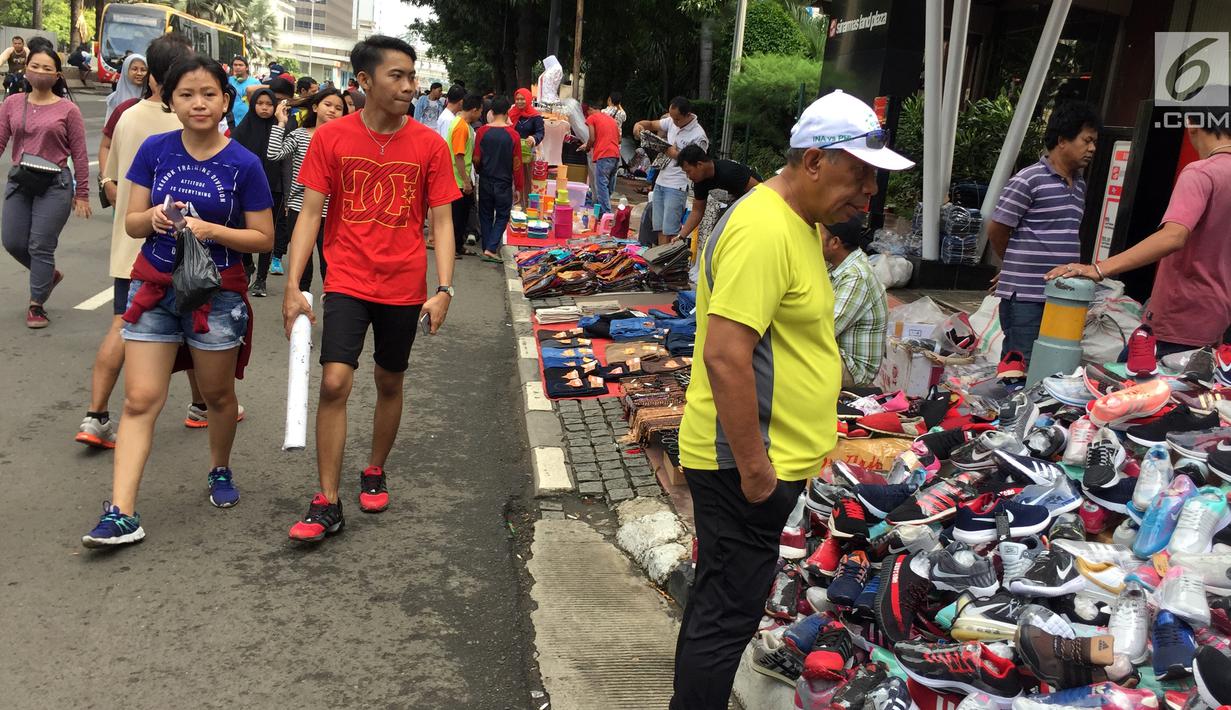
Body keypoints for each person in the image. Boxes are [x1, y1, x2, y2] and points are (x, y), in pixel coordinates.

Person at [673, 90, 913, 708]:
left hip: (763, 460)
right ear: (813, 161)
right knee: (726, 618)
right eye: (859, 174)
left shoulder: (800, 224)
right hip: (744, 465)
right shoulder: (764, 228)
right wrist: (756, 472)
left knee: (720, 606)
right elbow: (726, 356)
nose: (869, 193)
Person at [80, 53, 275, 548]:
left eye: (209, 94)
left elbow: (264, 238)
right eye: (186, 94)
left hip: (217, 297)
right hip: (156, 291)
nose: (198, 103)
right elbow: (131, 222)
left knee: (218, 397)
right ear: (171, 100)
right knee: (140, 400)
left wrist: (212, 230)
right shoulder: (156, 150)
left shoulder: (244, 164)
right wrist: (152, 219)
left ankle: (219, 467)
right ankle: (122, 512)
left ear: (226, 100)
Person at [282, 35, 459, 542]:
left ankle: (375, 467)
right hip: (347, 279)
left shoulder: (429, 144)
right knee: (334, 382)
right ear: (364, 80)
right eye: (396, 76)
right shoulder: (332, 138)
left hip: (404, 285)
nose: (409, 86)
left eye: (412, 76)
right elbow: (309, 214)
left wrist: (444, 288)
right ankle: (327, 501)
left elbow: (442, 221)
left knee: (389, 380)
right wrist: (293, 285)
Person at [78, 33, 200, 449]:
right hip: (170, 246)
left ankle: (96, 415)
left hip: (129, 243)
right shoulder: (188, 123)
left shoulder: (127, 116)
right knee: (196, 323)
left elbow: (112, 177)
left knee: (125, 323)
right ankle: (208, 404)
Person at [1047, 108, 1231, 356]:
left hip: (1179, 317)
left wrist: (1098, 269)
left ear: (1192, 123)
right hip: (1217, 319)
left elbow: (1173, 236)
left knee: (1127, 376)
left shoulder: (1200, 172)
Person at [987, 101, 1100, 367]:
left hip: (1063, 296)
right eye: (1087, 140)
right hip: (1026, 298)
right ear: (1062, 140)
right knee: (1020, 366)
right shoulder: (1028, 180)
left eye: (1095, 142)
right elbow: (997, 229)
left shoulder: (1080, 184)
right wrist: (1012, 266)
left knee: (1053, 364)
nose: (1092, 148)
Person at [0, 42, 91, 329]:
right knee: (13, 241)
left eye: (47, 68)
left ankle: (36, 304)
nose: (40, 72)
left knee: (40, 245)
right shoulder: (12, 103)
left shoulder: (68, 110)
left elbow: (80, 154)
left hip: (56, 184)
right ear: (25, 70)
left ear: (57, 75)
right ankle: (48, 275)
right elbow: (1, 140)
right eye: (35, 66)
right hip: (21, 179)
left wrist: (83, 193)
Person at [268, 87, 348, 292]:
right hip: (300, 208)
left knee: (330, 266)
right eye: (327, 104)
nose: (332, 110)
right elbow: (274, 154)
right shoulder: (300, 135)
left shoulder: (345, 141)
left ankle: (333, 305)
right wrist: (281, 123)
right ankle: (300, 304)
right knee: (302, 267)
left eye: (338, 108)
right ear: (315, 107)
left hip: (332, 211)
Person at [632, 96, 710, 244]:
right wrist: (639, 126)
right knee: (659, 227)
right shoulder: (672, 121)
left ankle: (668, 257)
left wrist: (670, 151)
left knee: (671, 230)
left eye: (677, 119)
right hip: (661, 181)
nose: (674, 122)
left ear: (688, 115)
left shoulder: (699, 135)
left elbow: (695, 164)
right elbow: (652, 124)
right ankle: (660, 256)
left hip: (677, 185)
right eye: (672, 118)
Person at [823, 217, 889, 386]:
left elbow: (823, 330)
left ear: (835, 243)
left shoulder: (857, 276)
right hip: (834, 352)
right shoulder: (835, 265)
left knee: (781, 357)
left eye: (818, 234)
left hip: (854, 369)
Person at [234, 88, 282, 297]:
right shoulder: (244, 128)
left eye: (269, 104)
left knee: (267, 232)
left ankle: (261, 278)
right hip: (246, 187)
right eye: (260, 103)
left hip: (273, 187)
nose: (264, 108)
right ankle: (247, 265)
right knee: (242, 227)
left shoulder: (281, 127)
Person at [676, 145, 760, 243]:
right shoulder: (700, 181)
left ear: (699, 165)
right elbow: (697, 211)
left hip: (754, 205)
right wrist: (681, 236)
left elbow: (760, 191)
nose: (688, 176)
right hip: (734, 207)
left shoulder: (729, 172)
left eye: (688, 171)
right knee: (717, 236)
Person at [473, 95, 523, 262]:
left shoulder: (482, 131)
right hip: (504, 181)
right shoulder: (513, 135)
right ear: (507, 112)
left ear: (491, 112)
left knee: (485, 214)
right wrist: (519, 187)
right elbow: (517, 163)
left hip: (485, 179)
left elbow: (476, 158)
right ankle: (491, 247)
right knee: (502, 215)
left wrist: (479, 170)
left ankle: (487, 247)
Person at [446, 93, 483, 257]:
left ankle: (458, 246)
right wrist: (466, 181)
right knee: (457, 218)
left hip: (459, 178)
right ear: (474, 110)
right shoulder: (461, 127)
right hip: (458, 180)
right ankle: (452, 249)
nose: (480, 114)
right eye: (480, 111)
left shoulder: (463, 124)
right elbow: (459, 156)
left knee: (461, 217)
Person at [580, 103, 621, 214]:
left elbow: (592, 138)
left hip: (604, 155)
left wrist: (587, 148)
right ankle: (601, 211)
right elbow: (619, 139)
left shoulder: (592, 118)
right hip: (615, 155)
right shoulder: (611, 120)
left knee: (601, 185)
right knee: (608, 187)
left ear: (590, 109)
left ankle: (606, 214)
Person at [509, 87, 543, 206]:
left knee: (525, 180)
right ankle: (511, 206)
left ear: (528, 99)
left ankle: (525, 206)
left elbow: (540, 132)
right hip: (511, 152)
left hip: (526, 154)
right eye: (517, 99)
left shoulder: (535, 116)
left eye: (522, 99)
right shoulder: (511, 114)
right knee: (510, 179)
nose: (519, 101)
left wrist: (533, 138)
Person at [104, 53, 145, 124]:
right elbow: (109, 126)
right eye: (134, 69)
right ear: (126, 71)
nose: (139, 73)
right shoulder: (115, 98)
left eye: (143, 70)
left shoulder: (150, 97)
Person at [228, 56, 261, 127]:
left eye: (240, 65)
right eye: (235, 65)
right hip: (230, 122)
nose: (237, 67)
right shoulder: (228, 81)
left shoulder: (255, 82)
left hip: (248, 122)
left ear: (247, 68)